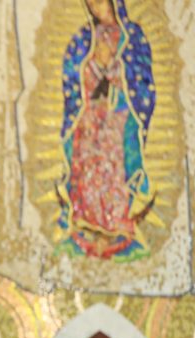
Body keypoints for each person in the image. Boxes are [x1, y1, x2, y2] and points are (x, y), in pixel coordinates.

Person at [56, 0, 155, 260]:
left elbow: (142, 77)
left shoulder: (133, 36)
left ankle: (116, 223)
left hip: (119, 115)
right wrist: (91, 67)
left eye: (99, 2)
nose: (95, 9)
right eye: (90, 4)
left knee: (113, 168)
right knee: (87, 165)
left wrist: (116, 71)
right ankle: (85, 221)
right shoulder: (83, 37)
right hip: (89, 116)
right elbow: (71, 72)